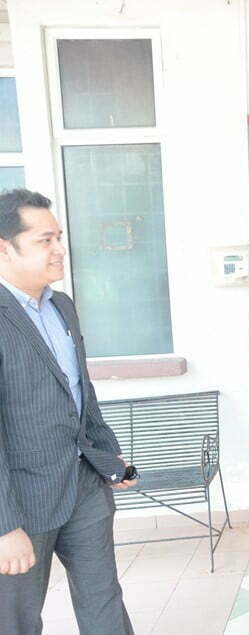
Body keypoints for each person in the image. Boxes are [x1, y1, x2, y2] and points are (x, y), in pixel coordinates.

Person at [0, 189, 137, 635]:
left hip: (84, 486)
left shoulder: (62, 306)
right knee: (16, 621)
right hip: (21, 500)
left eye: (58, 237)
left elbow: (80, 391)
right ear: (4, 248)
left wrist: (110, 456)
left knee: (105, 603)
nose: (59, 249)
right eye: (45, 240)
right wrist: (4, 527)